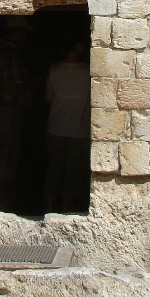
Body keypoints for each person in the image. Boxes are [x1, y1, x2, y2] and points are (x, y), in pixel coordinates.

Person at [0, 19, 32, 211]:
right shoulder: (10, 55)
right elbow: (13, 89)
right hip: (8, 112)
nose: (25, 37)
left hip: (0, 110)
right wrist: (32, 85)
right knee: (6, 158)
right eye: (24, 33)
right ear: (16, 32)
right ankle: (1, 203)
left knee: (0, 156)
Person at [43, 38, 91, 213]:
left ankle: (48, 206)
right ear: (77, 45)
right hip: (80, 131)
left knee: (54, 168)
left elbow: (48, 98)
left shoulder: (53, 69)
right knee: (74, 171)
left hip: (55, 127)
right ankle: (66, 208)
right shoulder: (89, 71)